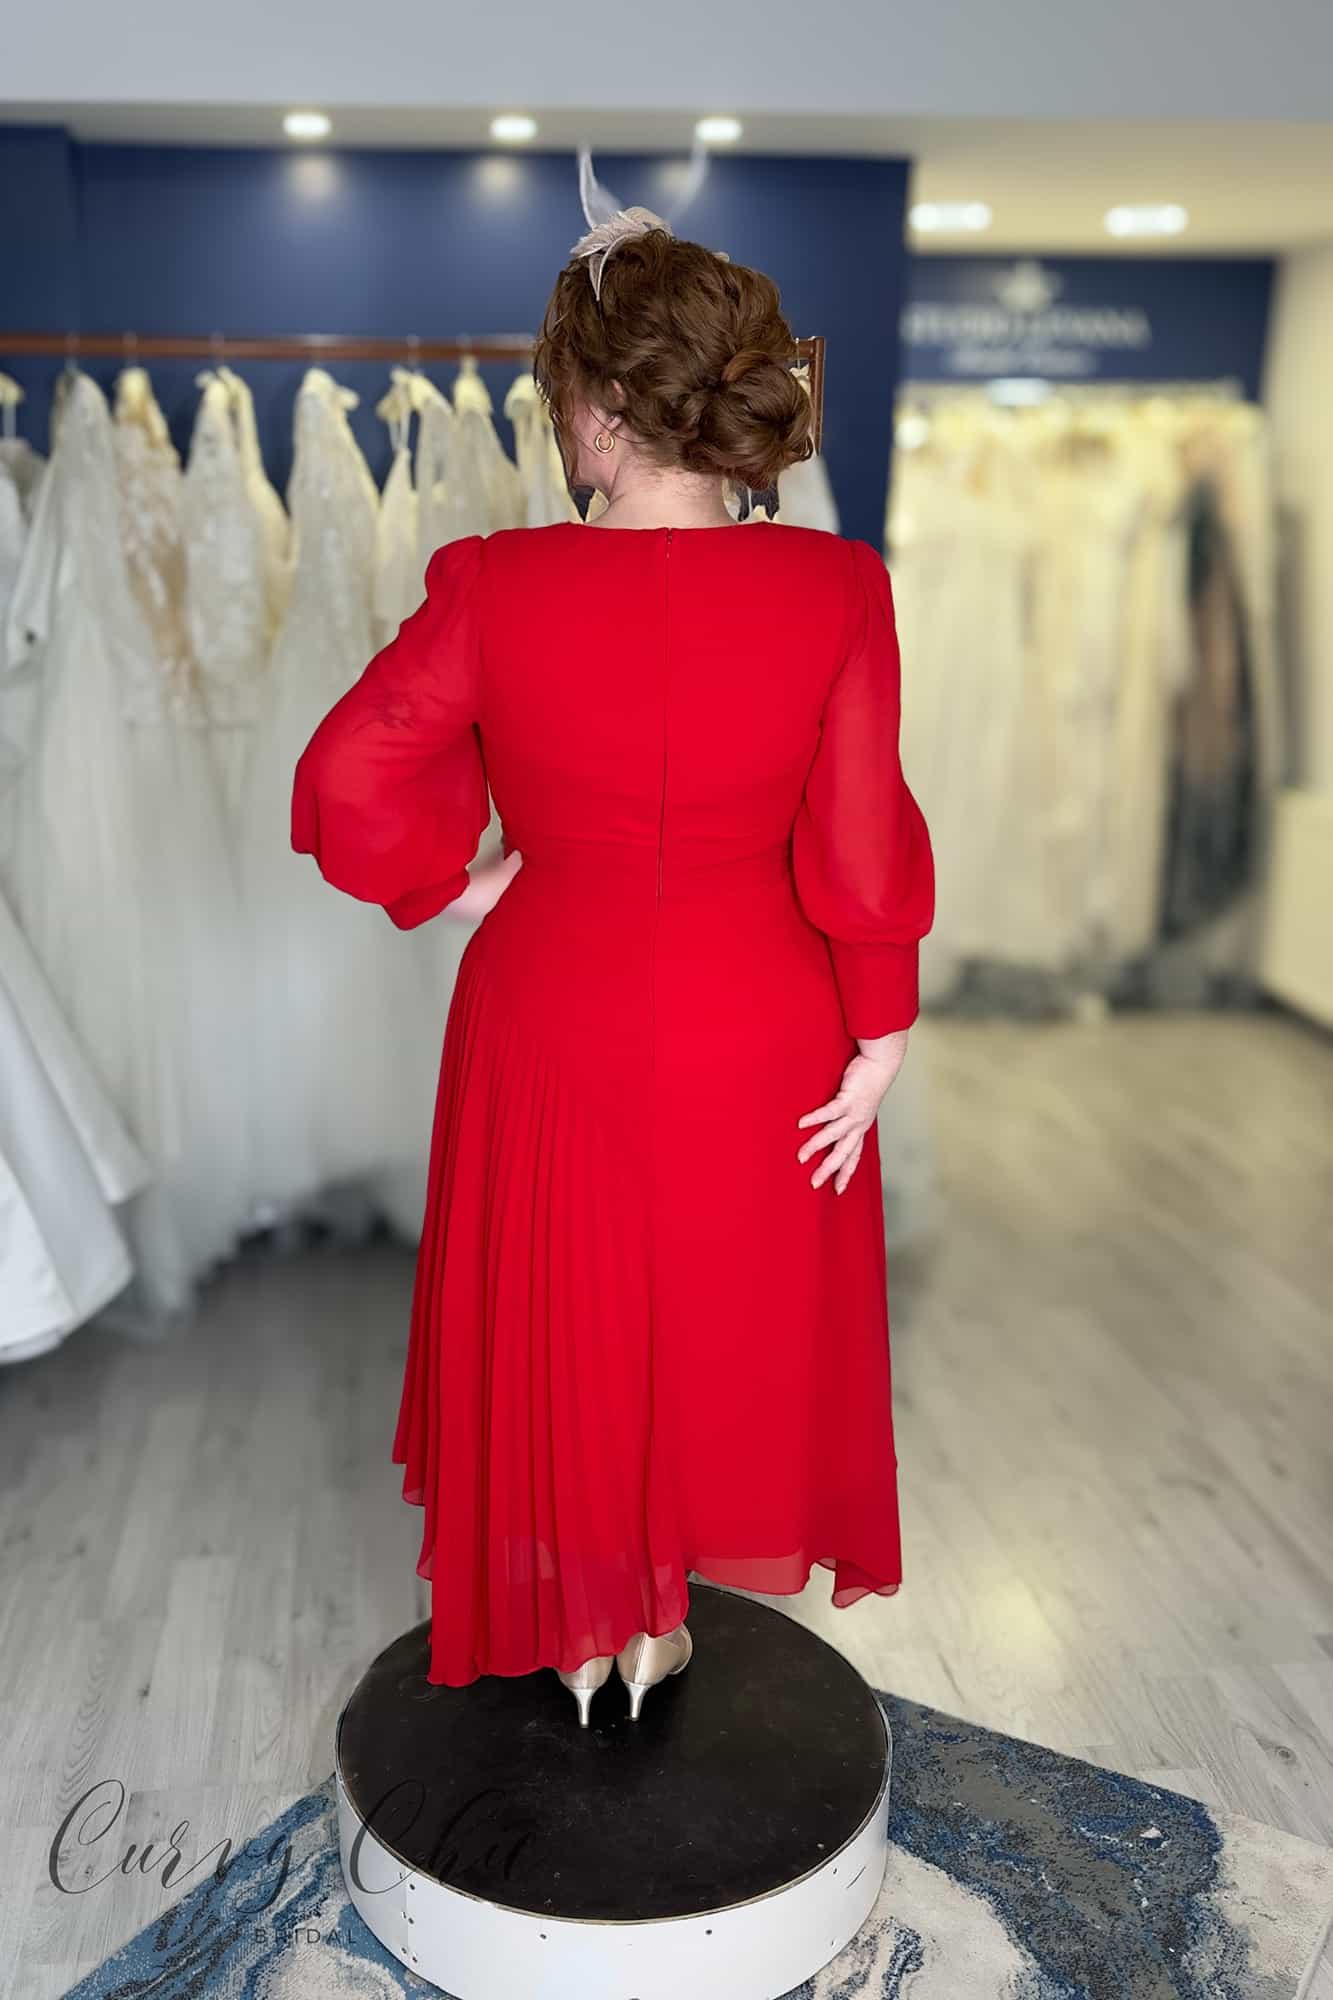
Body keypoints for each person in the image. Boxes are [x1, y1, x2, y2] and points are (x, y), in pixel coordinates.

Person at [290, 204, 935, 1724]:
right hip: (760, 1014)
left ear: (588, 411)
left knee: (568, 1313)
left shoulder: (495, 583)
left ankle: (594, 1621)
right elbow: (857, 843)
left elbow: (345, 778)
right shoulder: (836, 590)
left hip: (550, 1002)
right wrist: (881, 1026)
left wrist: (457, 886)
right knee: (712, 1313)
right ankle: (655, 1628)